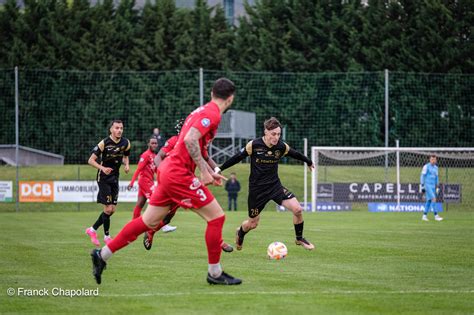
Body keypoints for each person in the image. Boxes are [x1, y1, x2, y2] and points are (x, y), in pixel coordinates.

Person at [90, 78, 242, 285]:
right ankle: (214, 273)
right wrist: (204, 173)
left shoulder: (202, 110)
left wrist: (207, 170)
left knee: (147, 221)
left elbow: (194, 143)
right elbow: (189, 140)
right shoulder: (213, 113)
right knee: (216, 217)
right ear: (230, 98)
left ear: (212, 93)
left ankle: (102, 255)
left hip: (170, 172)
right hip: (179, 175)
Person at [219, 117, 315, 251]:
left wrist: (309, 161)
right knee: (252, 224)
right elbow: (237, 157)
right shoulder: (254, 145)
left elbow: (295, 154)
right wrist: (219, 169)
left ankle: (299, 238)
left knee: (298, 209)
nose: (276, 137)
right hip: (257, 191)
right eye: (273, 134)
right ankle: (240, 232)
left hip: (275, 187)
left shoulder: (281, 147)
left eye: (278, 134)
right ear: (266, 132)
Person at [142, 119, 232, 252]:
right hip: (173, 182)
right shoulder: (174, 141)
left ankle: (149, 232)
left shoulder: (195, 142)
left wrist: (216, 171)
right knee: (209, 212)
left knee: (169, 217)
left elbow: (206, 158)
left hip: (186, 182)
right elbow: (157, 158)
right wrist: (166, 175)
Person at [86, 120, 130, 246]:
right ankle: (107, 236)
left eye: (121, 128)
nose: (119, 130)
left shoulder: (126, 142)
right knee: (108, 208)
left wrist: (126, 165)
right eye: (117, 128)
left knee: (112, 210)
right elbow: (91, 160)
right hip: (104, 178)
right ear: (111, 129)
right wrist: (102, 168)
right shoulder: (104, 143)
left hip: (115, 177)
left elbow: (126, 156)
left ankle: (92, 229)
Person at [127, 137, 176, 233]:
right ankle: (162, 225)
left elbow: (156, 171)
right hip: (145, 182)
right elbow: (139, 169)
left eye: (155, 143)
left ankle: (132, 227)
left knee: (140, 204)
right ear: (148, 144)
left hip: (149, 181)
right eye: (152, 143)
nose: (154, 145)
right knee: (159, 202)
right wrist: (132, 182)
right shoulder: (145, 155)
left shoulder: (155, 156)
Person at [420, 154, 443, 221]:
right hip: (427, 185)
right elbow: (422, 176)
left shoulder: (436, 168)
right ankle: (436, 215)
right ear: (430, 160)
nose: (433, 161)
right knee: (433, 199)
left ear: (436, 160)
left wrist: (437, 186)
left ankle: (424, 216)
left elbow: (436, 178)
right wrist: (422, 186)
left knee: (429, 201)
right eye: (432, 159)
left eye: (434, 159)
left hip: (433, 186)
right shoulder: (426, 166)